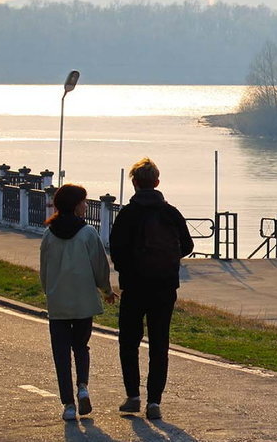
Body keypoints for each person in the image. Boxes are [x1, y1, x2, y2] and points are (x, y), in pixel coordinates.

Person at [109, 158, 193, 420]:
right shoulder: (170, 212)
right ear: (157, 182)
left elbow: (116, 250)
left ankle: (133, 396)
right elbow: (188, 245)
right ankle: (154, 402)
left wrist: (128, 269)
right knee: (159, 343)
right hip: (164, 288)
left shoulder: (127, 214)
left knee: (129, 342)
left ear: (134, 183)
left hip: (134, 287)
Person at [39, 184, 117, 421]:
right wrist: (106, 290)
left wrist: (49, 292)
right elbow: (99, 266)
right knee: (81, 347)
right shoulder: (88, 233)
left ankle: (68, 405)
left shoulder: (48, 234)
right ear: (76, 205)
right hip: (83, 302)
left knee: (61, 354)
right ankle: (82, 386)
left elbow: (44, 271)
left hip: (58, 303)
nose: (86, 205)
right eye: (83, 201)